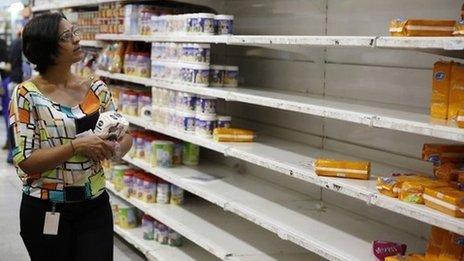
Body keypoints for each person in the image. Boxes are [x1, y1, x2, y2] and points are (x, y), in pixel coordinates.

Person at [9, 12, 132, 260]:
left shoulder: (96, 88)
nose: (77, 39)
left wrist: (115, 147)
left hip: (94, 205)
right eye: (67, 36)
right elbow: (26, 160)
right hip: (46, 207)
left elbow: (125, 134)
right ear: (47, 48)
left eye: (74, 31)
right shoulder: (26, 94)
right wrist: (75, 146)